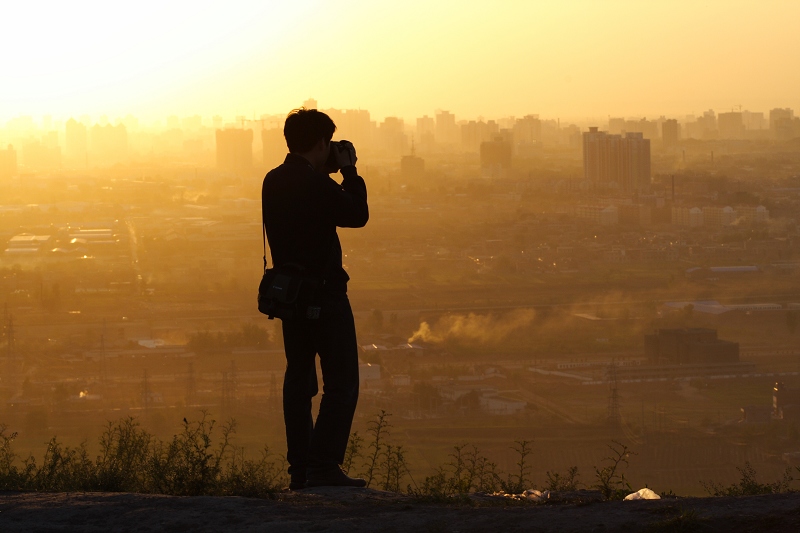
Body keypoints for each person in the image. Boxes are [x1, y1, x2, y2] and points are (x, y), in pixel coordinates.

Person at [261, 108, 369, 489]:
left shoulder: (273, 180)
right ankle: (323, 468)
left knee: (299, 381)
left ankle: (301, 470)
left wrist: (324, 171)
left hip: (290, 299)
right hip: (326, 298)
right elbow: (356, 214)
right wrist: (350, 172)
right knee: (342, 384)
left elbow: (305, 200)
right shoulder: (316, 185)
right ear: (322, 143)